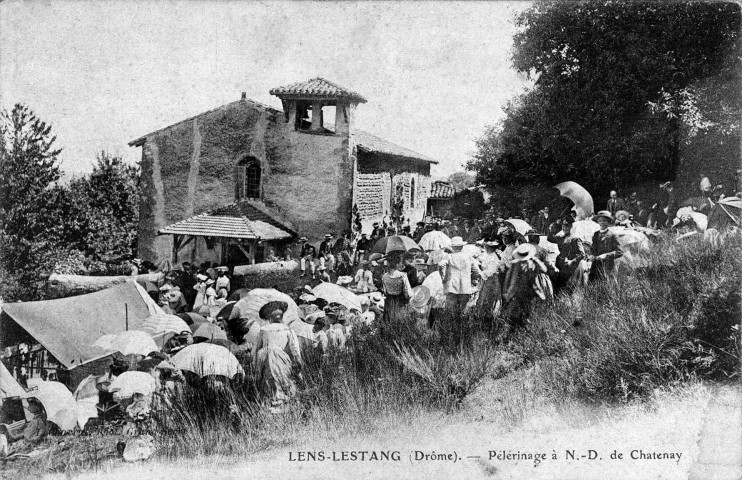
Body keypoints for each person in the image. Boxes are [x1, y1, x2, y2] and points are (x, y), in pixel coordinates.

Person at [252, 301, 303, 412]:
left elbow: (255, 350)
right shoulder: (288, 330)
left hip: (264, 358)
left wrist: (255, 368)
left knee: (267, 384)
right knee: (282, 382)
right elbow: (295, 350)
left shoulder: (263, 330)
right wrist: (298, 365)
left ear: (269, 317)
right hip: (282, 359)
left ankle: (269, 407)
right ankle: (282, 407)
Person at [438, 236, 482, 325]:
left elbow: (440, 265)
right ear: (462, 246)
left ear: (453, 247)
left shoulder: (449, 256)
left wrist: (443, 278)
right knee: (464, 311)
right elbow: (477, 271)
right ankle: (462, 329)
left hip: (452, 286)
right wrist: (472, 278)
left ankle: (450, 329)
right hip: (465, 287)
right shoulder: (468, 257)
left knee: (450, 311)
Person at [547, 217, 587, 292]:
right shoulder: (560, 237)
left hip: (570, 265)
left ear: (571, 227)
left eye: (567, 226)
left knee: (569, 287)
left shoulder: (575, 238)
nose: (565, 228)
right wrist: (552, 227)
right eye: (563, 226)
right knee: (558, 285)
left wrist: (571, 261)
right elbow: (550, 238)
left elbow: (582, 254)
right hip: (560, 263)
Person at [589, 211, 623, 281]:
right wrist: (591, 255)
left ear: (608, 222)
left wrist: (606, 255)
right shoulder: (596, 234)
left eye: (604, 221)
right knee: (592, 285)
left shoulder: (612, 235)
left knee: (605, 286)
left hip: (608, 267)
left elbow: (620, 252)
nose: (602, 223)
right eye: (600, 221)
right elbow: (592, 249)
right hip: (595, 265)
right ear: (598, 222)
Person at [381, 253, 414, 323]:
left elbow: (385, 291)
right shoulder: (402, 276)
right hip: (399, 303)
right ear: (397, 264)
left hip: (389, 303)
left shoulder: (384, 276)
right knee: (398, 324)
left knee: (388, 322)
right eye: (400, 262)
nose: (402, 264)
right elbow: (408, 294)